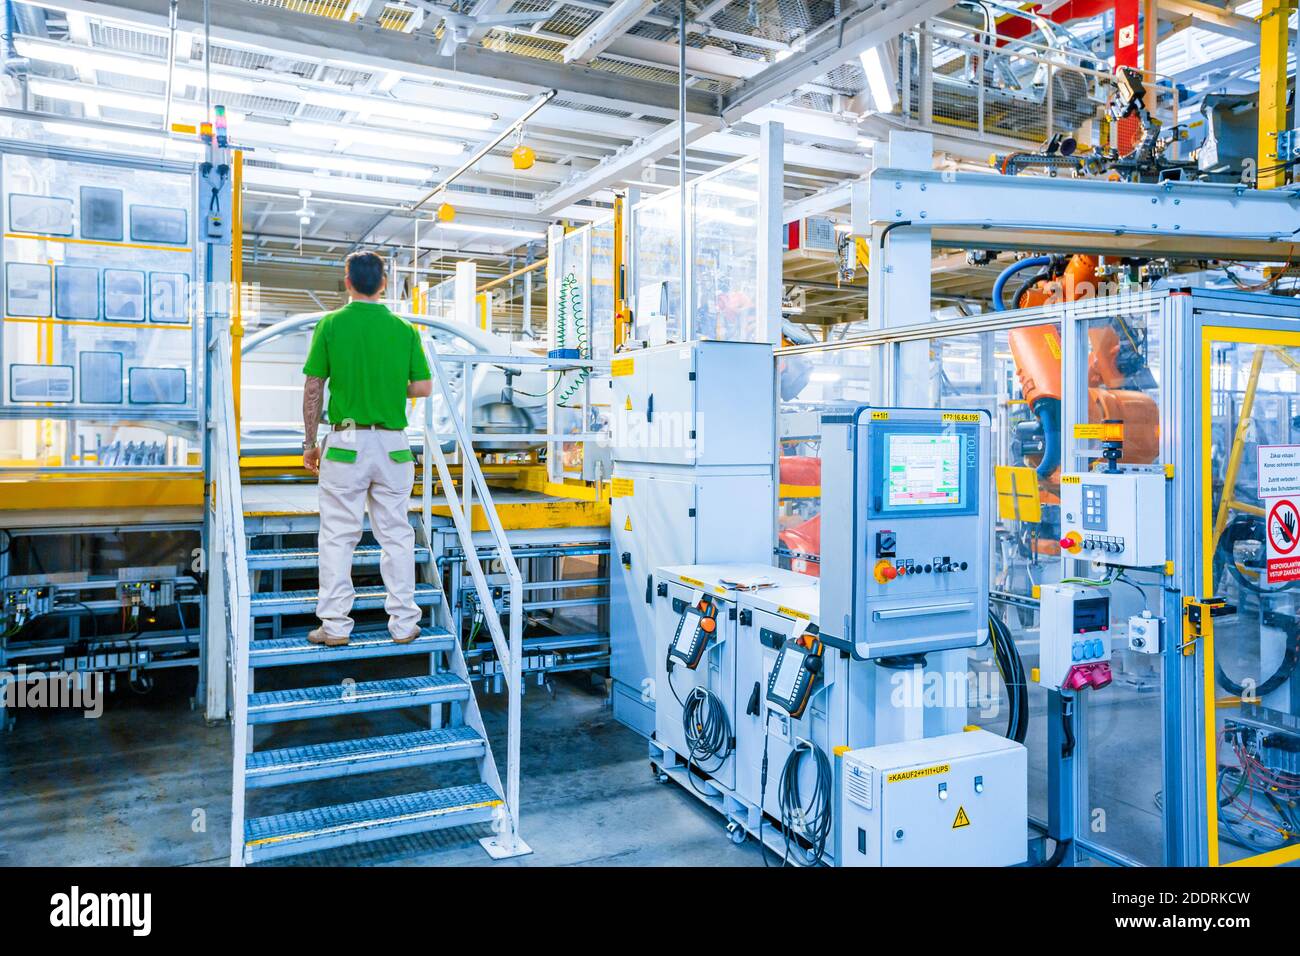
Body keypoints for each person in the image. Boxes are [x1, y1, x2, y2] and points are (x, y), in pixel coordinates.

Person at [300, 251, 433, 647]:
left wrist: (310, 444)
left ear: (347, 281)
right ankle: (404, 624)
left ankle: (336, 626)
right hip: (394, 446)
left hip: (346, 444)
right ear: (385, 283)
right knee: (396, 535)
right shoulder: (405, 330)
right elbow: (423, 388)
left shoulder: (330, 324)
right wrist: (390, 388)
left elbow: (313, 388)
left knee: (339, 536)